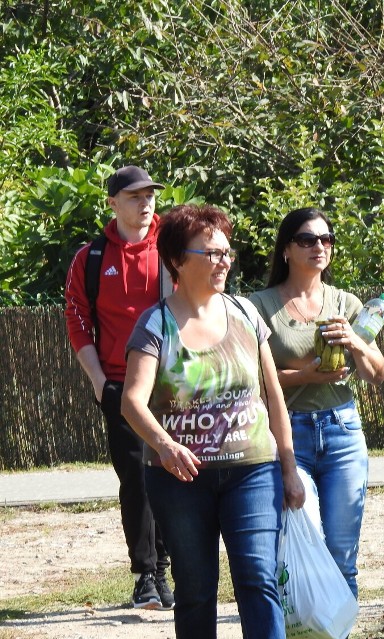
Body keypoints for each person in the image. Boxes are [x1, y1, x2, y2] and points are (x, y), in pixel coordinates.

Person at [121, 204, 306, 638]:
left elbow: (273, 393)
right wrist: (165, 445)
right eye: (211, 253)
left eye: (226, 252)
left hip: (253, 471)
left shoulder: (245, 313)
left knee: (259, 580)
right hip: (179, 479)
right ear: (177, 261)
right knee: (196, 589)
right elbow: (132, 401)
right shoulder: (155, 325)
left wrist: (289, 466)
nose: (223, 262)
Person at [249, 207, 384, 598]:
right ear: (287, 250)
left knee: (343, 555)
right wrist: (306, 376)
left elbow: (377, 374)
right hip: (286, 434)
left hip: (343, 431)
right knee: (299, 545)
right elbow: (252, 383)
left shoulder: (345, 303)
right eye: (307, 240)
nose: (319, 247)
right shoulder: (258, 306)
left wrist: (355, 341)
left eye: (326, 240)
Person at [64, 164, 174, 610]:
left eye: (150, 195)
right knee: (136, 480)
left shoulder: (174, 247)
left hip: (174, 383)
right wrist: (98, 382)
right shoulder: (90, 258)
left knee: (177, 472)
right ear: (113, 202)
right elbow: (77, 319)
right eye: (134, 196)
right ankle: (146, 575)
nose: (145, 203)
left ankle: (171, 569)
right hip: (118, 385)